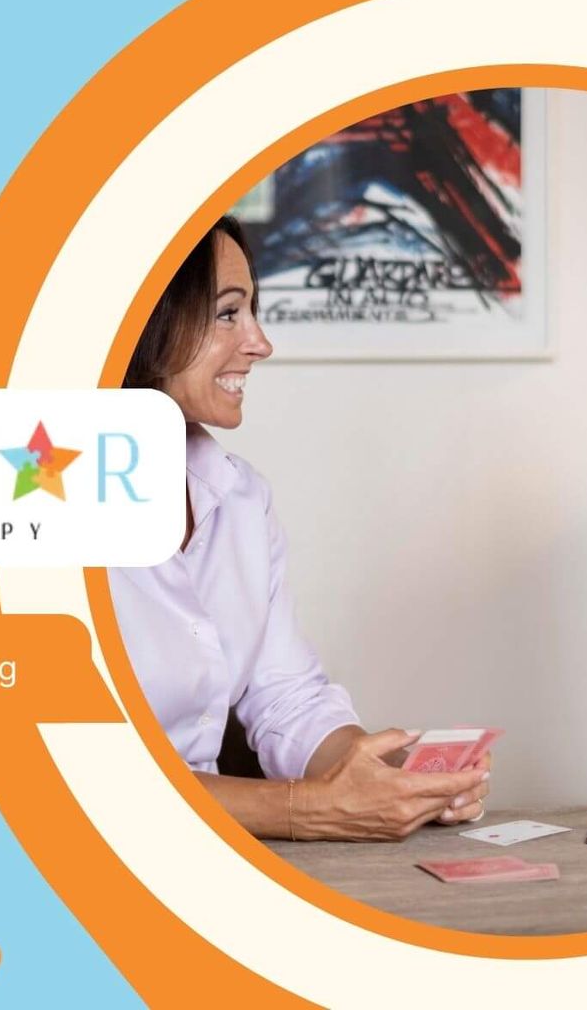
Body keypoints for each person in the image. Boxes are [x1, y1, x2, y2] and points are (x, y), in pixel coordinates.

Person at [111, 215, 491, 839]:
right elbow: (68, 762)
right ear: (139, 323)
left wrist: (387, 774)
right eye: (227, 314)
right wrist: (307, 808)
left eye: (252, 311)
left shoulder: (241, 499)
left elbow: (288, 695)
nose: (260, 343)